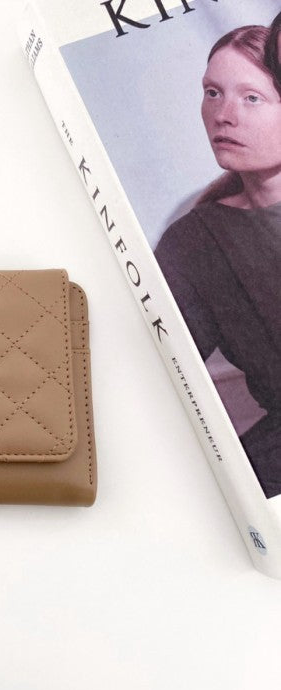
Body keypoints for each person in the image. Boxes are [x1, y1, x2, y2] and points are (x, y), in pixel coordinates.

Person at [155, 24, 281, 498]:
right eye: (212, 93)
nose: (223, 115)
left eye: (251, 98)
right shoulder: (195, 239)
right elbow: (154, 367)